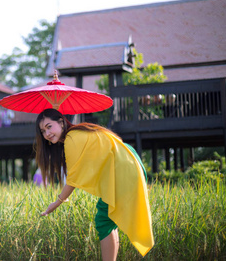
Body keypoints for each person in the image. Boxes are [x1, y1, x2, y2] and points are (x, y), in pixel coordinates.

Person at [36, 108, 154, 260]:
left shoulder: (72, 139)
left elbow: (72, 180)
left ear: (61, 121)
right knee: (108, 219)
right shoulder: (77, 134)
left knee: (104, 220)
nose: (47, 134)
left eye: (49, 126)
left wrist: (57, 202)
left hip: (124, 167)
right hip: (127, 161)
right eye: (43, 131)